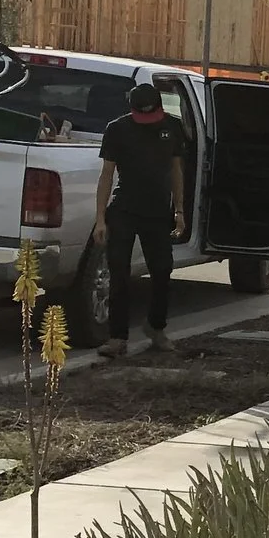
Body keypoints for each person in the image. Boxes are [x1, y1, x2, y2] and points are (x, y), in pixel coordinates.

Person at [92, 82, 188, 357]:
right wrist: (100, 218)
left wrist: (179, 211)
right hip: (124, 209)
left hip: (157, 212)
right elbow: (106, 175)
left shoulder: (172, 127)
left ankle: (156, 327)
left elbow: (176, 171)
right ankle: (117, 338)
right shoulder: (117, 129)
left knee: (162, 270)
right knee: (119, 274)